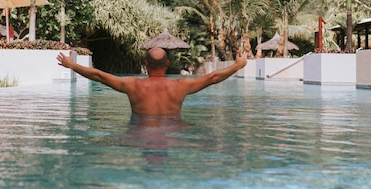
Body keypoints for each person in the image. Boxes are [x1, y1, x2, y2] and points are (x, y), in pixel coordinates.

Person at [57, 47, 247, 116]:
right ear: (167, 63)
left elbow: (98, 75)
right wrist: (238, 65)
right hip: (174, 132)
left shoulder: (132, 85)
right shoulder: (181, 86)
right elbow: (214, 77)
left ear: (145, 64)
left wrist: (72, 65)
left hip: (138, 132)